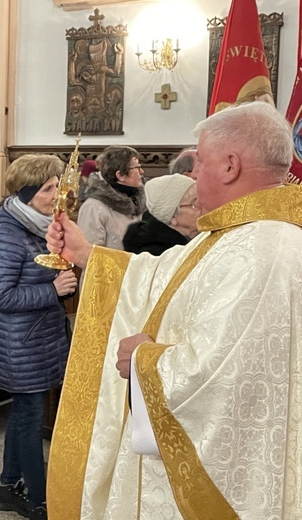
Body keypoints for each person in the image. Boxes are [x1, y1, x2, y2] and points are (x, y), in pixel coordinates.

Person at [44, 101, 302, 519]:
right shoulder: (234, 234)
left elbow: (219, 374)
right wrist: (88, 254)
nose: (193, 172)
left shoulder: (261, 252)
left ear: (230, 166)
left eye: (199, 160)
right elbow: (161, 277)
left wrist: (144, 361)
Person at [0, 154, 77, 520]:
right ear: (27, 193)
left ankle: (8, 487)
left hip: (39, 339)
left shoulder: (42, 225)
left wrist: (64, 284)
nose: (57, 194)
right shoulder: (11, 230)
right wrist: (53, 290)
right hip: (20, 343)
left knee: (24, 415)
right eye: (48, 189)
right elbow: (0, 294)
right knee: (28, 416)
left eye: (57, 186)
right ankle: (39, 499)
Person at [77, 145, 145, 250]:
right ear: (120, 175)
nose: (142, 172)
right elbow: (90, 256)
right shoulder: (93, 207)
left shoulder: (137, 200)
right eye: (137, 167)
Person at [123, 174, 200, 255]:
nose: (204, 207)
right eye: (194, 203)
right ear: (172, 216)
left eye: (201, 200)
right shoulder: (160, 256)